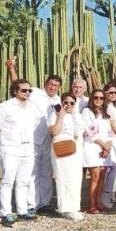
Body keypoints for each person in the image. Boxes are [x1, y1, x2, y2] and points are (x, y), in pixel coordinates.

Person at [6, 57, 61, 214]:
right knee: (31, 173)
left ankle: (44, 203)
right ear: (46, 83)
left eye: (55, 85)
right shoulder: (35, 92)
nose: (52, 87)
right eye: (50, 84)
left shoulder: (58, 100)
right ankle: (31, 204)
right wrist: (11, 68)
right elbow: (18, 85)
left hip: (49, 141)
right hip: (32, 139)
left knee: (46, 173)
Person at [0, 79, 39, 227]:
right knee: (7, 181)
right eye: (24, 90)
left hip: (28, 149)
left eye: (29, 90)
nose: (27, 93)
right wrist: (2, 144)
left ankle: (22, 210)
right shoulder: (4, 107)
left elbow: (36, 125)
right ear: (15, 91)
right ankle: (6, 213)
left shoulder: (32, 108)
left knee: (23, 182)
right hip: (10, 149)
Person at [81, 90, 116, 214]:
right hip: (92, 146)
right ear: (92, 98)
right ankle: (91, 204)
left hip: (105, 147)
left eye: (101, 98)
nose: (98, 100)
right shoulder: (87, 112)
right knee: (95, 176)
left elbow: (110, 133)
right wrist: (103, 146)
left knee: (102, 176)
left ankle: (98, 201)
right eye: (96, 97)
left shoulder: (106, 114)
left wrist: (108, 147)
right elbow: (89, 132)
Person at [48, 92, 85, 221]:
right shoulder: (55, 114)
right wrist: (61, 116)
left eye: (71, 103)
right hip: (62, 149)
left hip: (76, 151)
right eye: (66, 102)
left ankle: (74, 207)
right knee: (64, 178)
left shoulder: (78, 116)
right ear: (61, 102)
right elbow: (54, 131)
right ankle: (65, 208)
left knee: (75, 179)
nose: (68, 105)